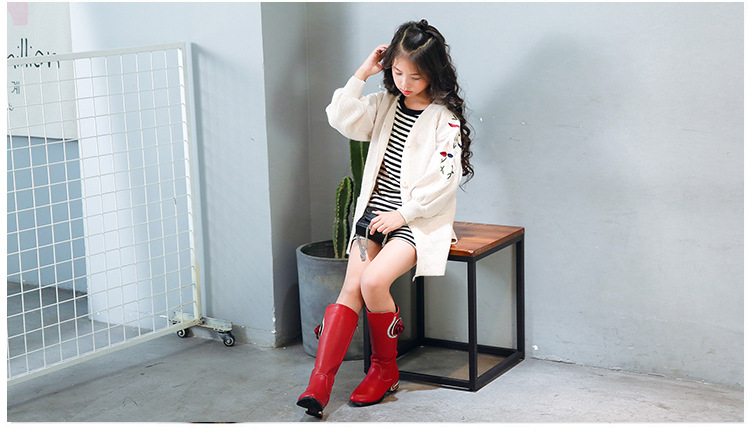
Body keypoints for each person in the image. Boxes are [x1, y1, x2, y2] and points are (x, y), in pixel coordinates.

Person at [297, 19, 474, 418]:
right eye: (397, 72)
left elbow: (445, 179)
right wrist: (362, 72)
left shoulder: (444, 118)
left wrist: (403, 214)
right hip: (373, 218)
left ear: (434, 73)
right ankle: (319, 384)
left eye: (416, 76)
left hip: (416, 222)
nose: (405, 83)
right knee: (350, 289)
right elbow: (340, 117)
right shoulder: (383, 105)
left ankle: (384, 370)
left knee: (374, 281)